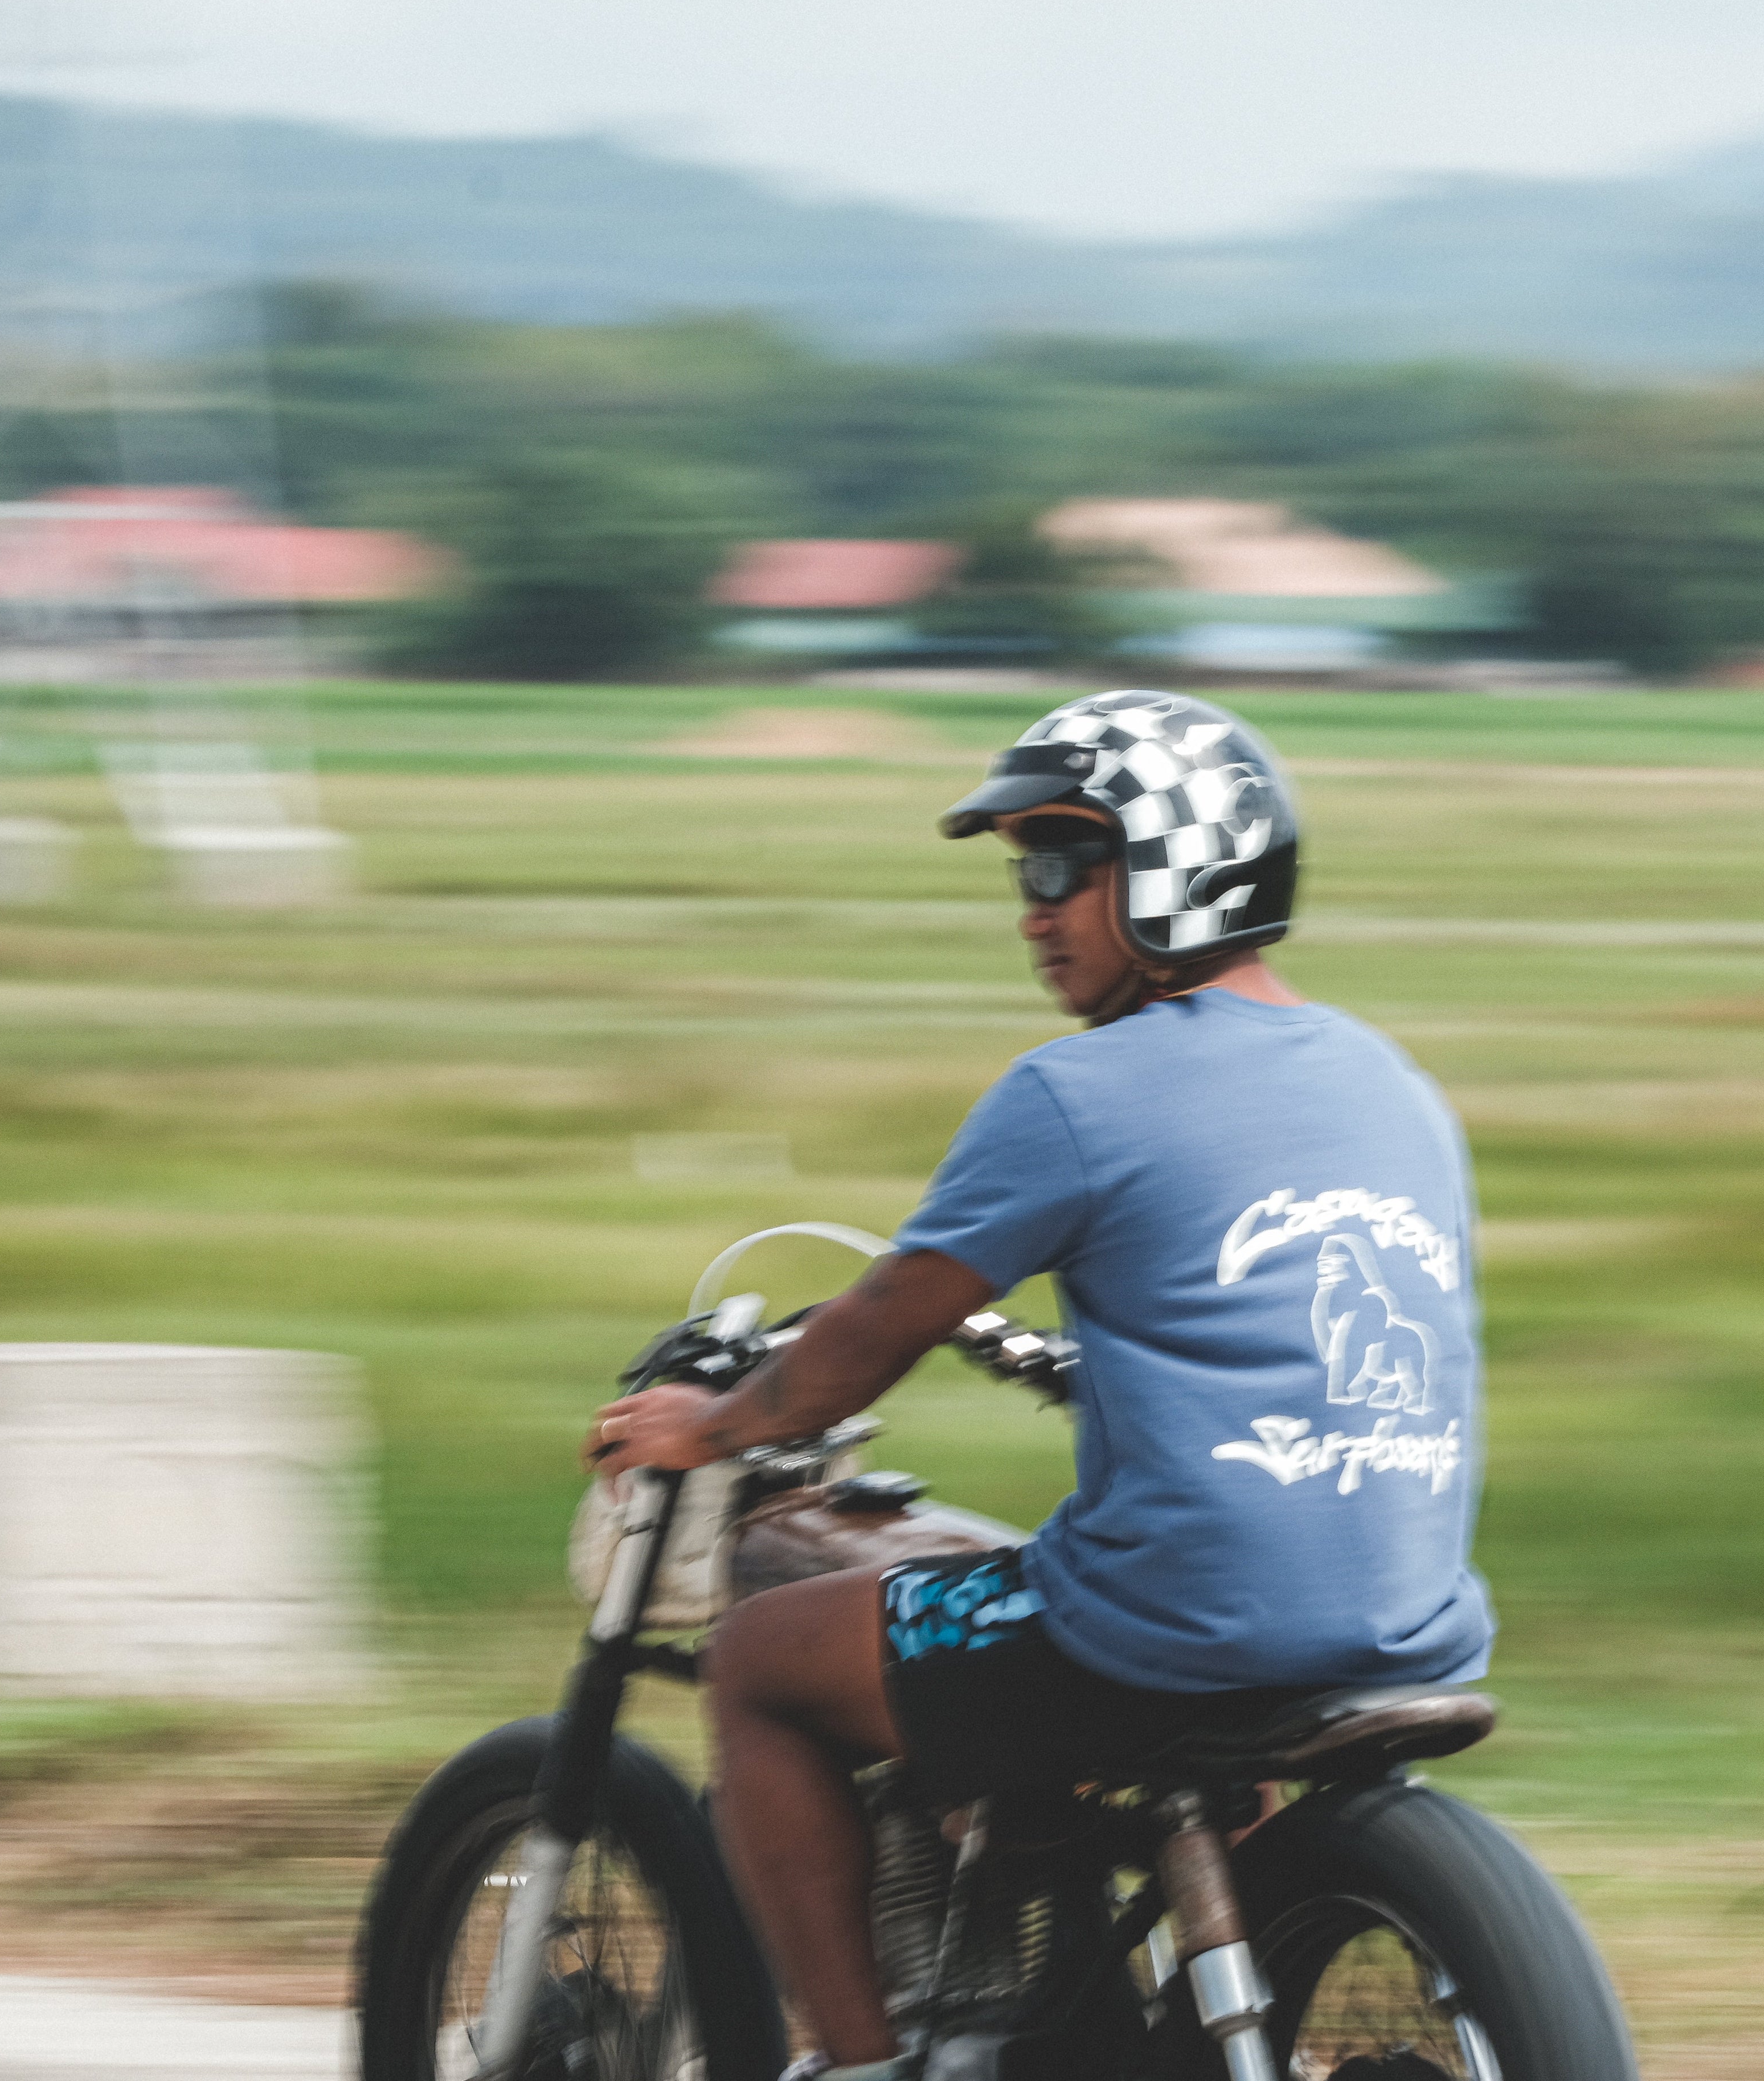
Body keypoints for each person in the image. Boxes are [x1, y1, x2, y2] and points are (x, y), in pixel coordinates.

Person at [586, 689, 1494, 2081]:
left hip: (1172, 1623)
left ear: (1180, 868)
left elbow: (876, 1329)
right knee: (1020, 1636)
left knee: (763, 1660)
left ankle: (861, 2063)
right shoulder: (1397, 1085)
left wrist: (708, 1425)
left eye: (1064, 865)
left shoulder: (1079, 1093)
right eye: (1024, 874)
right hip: (1406, 1614)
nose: (1033, 911)